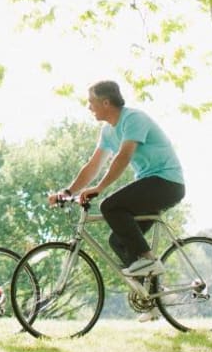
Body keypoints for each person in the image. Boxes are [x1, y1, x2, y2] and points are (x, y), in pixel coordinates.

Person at [50, 80, 185, 278]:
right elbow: (93, 166)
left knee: (110, 206)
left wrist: (99, 188)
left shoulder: (133, 119)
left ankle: (148, 259)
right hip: (150, 185)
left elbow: (123, 156)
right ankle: (151, 296)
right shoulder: (108, 131)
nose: (89, 107)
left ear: (105, 103)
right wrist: (69, 192)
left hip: (167, 183)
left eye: (91, 102)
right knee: (118, 241)